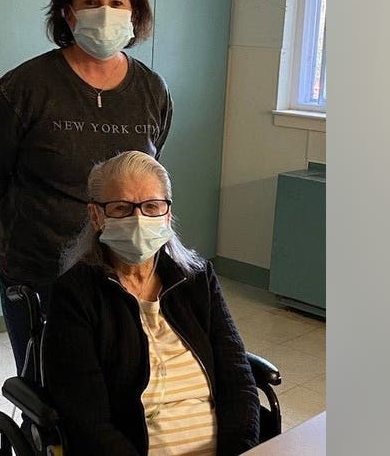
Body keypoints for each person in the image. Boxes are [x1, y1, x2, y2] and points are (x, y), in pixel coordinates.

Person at [0, 0, 173, 374]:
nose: (105, 11)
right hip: (38, 267)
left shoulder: (152, 90)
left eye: (117, 2)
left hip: (120, 268)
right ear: (68, 13)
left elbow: (147, 175)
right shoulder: (24, 87)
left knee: (112, 381)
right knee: (44, 383)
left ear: (134, 13)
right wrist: (32, 226)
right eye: (90, 2)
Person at [42, 151, 260, 456]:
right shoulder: (76, 296)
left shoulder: (196, 280)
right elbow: (87, 421)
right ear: (96, 217)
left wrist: (240, 451)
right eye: (121, 208)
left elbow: (238, 378)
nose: (139, 219)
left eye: (151, 206)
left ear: (167, 215)